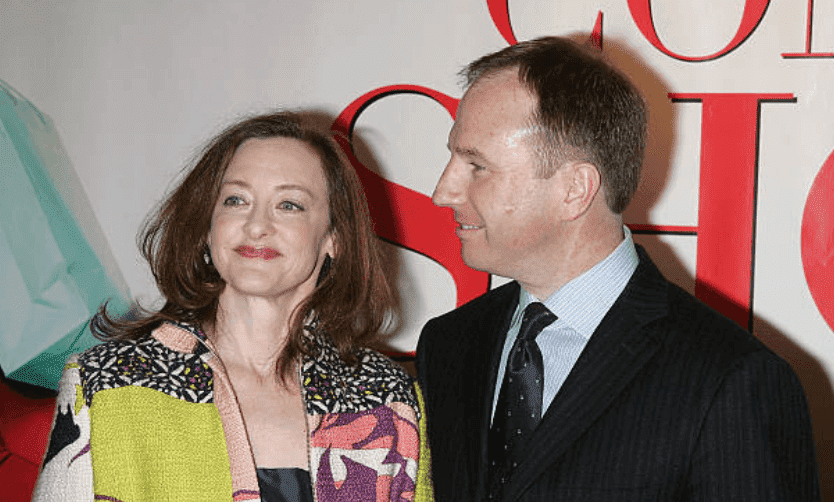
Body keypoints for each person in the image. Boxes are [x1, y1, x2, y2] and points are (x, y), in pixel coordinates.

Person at [416, 36, 820, 501]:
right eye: (452, 158)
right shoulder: (447, 345)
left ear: (574, 189)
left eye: (476, 166)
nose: (443, 191)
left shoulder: (731, 379)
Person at [33, 112, 432, 502]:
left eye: (289, 205)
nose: (257, 224)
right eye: (236, 200)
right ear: (207, 228)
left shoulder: (386, 396)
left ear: (334, 238)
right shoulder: (108, 380)